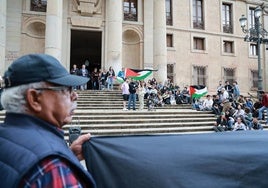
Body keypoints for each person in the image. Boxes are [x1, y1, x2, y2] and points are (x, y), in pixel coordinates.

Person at [0, 54, 96, 187]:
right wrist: (58, 161)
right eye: (66, 89)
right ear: (34, 98)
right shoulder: (52, 167)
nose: (75, 95)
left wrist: (68, 156)